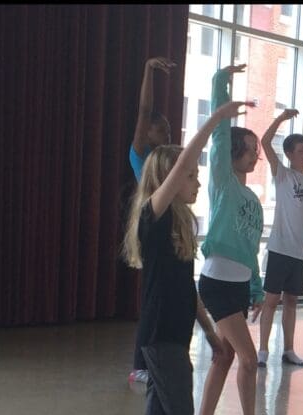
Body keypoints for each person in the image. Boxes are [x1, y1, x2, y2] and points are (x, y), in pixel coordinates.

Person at [122, 100, 246, 415]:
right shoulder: (151, 219)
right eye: (190, 176)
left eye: (195, 176)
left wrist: (210, 333)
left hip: (175, 332)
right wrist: (214, 121)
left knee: (159, 411)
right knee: (182, 409)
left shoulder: (181, 228)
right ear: (170, 182)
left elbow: (186, 288)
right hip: (158, 335)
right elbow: (180, 168)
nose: (195, 183)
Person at [191, 64, 266, 415]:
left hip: (238, 285)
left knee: (223, 357)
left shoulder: (253, 201)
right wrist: (221, 83)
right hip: (217, 282)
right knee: (249, 360)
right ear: (235, 152)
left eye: (257, 151)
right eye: (251, 149)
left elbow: (252, 249)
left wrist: (255, 287)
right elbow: (219, 137)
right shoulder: (222, 183)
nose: (256, 156)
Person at [257, 109, 303, 368]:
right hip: (279, 249)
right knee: (271, 300)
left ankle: (288, 350)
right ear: (289, 154)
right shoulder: (283, 175)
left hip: (299, 253)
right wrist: (280, 119)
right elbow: (265, 142)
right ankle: (262, 350)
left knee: (291, 302)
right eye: (301, 150)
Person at [128, 57, 176, 389]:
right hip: (151, 225)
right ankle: (138, 365)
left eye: (169, 130)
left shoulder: (166, 161)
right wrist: (147, 69)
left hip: (168, 225)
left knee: (165, 297)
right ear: (147, 132)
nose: (167, 133)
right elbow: (144, 109)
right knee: (152, 299)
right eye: (162, 129)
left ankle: (158, 356)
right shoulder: (141, 155)